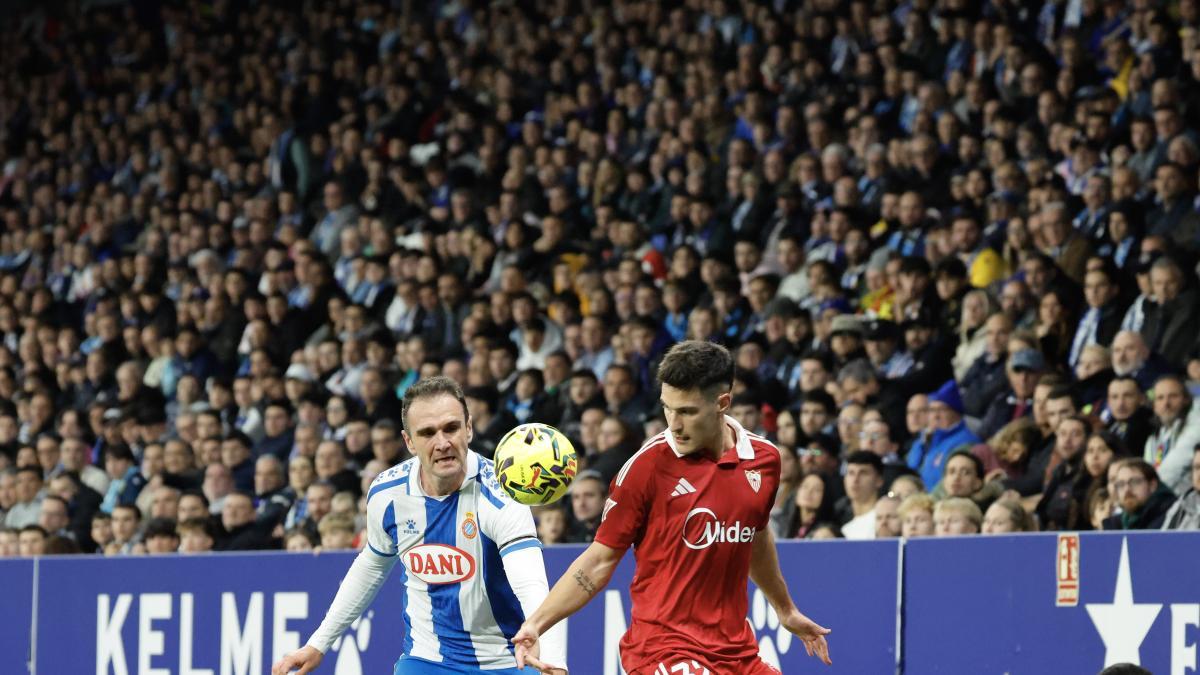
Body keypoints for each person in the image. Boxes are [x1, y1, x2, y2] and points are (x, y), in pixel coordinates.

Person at [510, 340, 831, 674]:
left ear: (722, 403)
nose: (674, 424)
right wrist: (536, 623)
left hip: (737, 652)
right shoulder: (646, 467)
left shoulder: (764, 460)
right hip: (662, 650)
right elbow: (598, 561)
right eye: (668, 408)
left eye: (687, 412)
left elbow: (754, 535)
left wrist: (785, 609)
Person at [272, 376, 566, 675]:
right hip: (428, 661)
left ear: (469, 428)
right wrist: (318, 643)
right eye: (427, 433)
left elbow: (531, 585)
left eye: (451, 428)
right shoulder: (388, 494)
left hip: (510, 660)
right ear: (409, 442)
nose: (442, 443)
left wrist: (553, 663)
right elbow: (372, 566)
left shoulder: (503, 493)